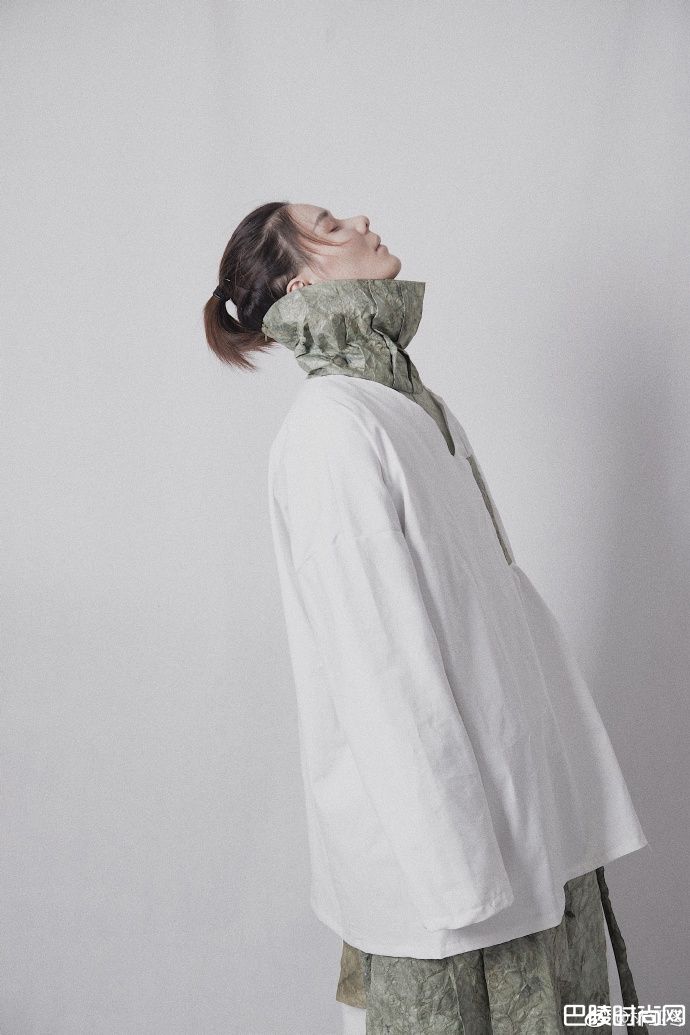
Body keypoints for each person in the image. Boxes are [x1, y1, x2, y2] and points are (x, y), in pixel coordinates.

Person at [203, 202, 651, 1035]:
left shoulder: (413, 406)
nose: (360, 218)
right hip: (454, 862)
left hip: (526, 820)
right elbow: (378, 669)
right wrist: (461, 873)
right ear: (301, 283)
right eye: (328, 222)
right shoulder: (333, 430)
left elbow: (497, 611)